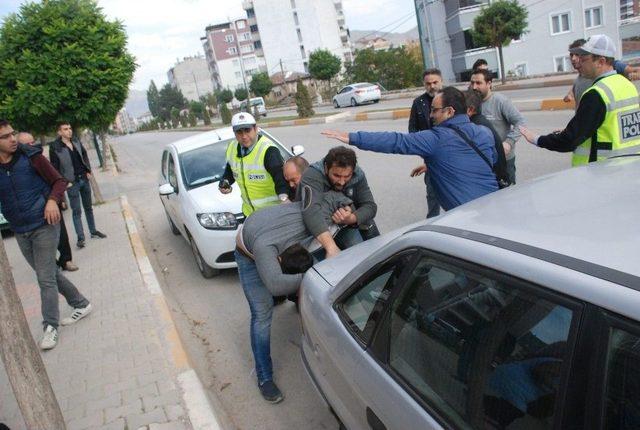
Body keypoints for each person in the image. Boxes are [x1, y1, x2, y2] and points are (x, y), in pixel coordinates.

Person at [235, 190, 353, 403]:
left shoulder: (315, 215)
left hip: (275, 239)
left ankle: (298, 290)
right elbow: (275, 284)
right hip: (248, 256)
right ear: (278, 259)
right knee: (262, 315)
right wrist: (311, 277)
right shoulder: (266, 248)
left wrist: (347, 210)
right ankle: (264, 377)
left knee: (314, 276)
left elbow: (340, 197)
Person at [322, 87, 498, 212]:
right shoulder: (484, 133)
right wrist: (437, 163)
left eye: (434, 110)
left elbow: (397, 142)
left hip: (469, 216)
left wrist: (353, 137)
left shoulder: (435, 139)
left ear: (449, 112)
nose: (430, 115)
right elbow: (490, 160)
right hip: (494, 204)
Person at [0, 119, 92, 350]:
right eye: (5, 136)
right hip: (20, 231)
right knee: (49, 274)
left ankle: (50, 326)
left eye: (13, 133)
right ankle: (81, 303)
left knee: (45, 279)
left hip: (44, 224)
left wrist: (52, 201)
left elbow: (59, 181)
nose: (12, 139)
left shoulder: (31, 156)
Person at [520, 34, 640, 166]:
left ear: (601, 61)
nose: (579, 62)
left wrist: (537, 139)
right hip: (629, 166)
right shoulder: (627, 85)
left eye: (584, 59)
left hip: (602, 171)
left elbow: (570, 140)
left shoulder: (597, 94)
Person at [298, 146, 378, 258]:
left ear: (353, 171)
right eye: (336, 175)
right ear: (326, 168)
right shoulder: (312, 175)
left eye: (347, 176)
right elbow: (311, 211)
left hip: (349, 224)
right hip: (318, 230)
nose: (341, 182)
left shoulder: (358, 175)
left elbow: (370, 206)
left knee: (371, 258)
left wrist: (351, 218)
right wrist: (331, 247)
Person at [17, 132, 78, 272]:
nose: (31, 146)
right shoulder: (18, 165)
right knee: (42, 242)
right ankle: (53, 264)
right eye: (28, 144)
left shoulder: (39, 159)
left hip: (51, 203)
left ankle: (66, 260)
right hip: (34, 211)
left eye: (33, 142)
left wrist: (59, 199)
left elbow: (57, 180)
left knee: (61, 235)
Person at [49, 122, 106, 248]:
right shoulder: (55, 147)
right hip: (71, 184)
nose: (69, 131)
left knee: (88, 208)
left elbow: (84, 155)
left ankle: (93, 231)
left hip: (84, 180)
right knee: (76, 211)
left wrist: (88, 171)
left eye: (70, 128)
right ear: (59, 132)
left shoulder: (76, 141)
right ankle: (81, 238)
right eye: (65, 129)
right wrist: (65, 183)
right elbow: (55, 169)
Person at [219, 112, 289, 215]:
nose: (244, 136)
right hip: (250, 214)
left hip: (274, 213)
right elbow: (230, 171)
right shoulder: (232, 148)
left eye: (247, 130)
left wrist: (284, 199)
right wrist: (225, 182)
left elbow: (280, 178)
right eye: (239, 132)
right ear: (234, 133)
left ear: (256, 129)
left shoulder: (268, 150)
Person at [470, 69, 525, 184]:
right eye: (472, 83)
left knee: (508, 196)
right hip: (482, 162)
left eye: (478, 83)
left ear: (489, 83)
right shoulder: (471, 103)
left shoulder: (500, 101)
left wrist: (508, 143)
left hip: (504, 160)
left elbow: (520, 122)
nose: (474, 87)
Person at [564, 38, 640, 108]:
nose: (573, 58)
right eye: (571, 55)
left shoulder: (610, 65)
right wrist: (570, 94)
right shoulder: (582, 75)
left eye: (578, 55)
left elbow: (635, 71)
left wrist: (634, 75)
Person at [408, 68, 444, 218]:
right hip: (429, 156)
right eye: (428, 83)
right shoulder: (418, 103)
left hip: (452, 152)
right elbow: (412, 130)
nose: (432, 86)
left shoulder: (452, 98)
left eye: (435, 82)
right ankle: (433, 221)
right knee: (432, 192)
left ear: (441, 81)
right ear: (424, 84)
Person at [464, 90, 510, 186]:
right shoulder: (480, 121)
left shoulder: (475, 128)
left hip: (493, 183)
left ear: (470, 110)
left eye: (459, 108)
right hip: (498, 179)